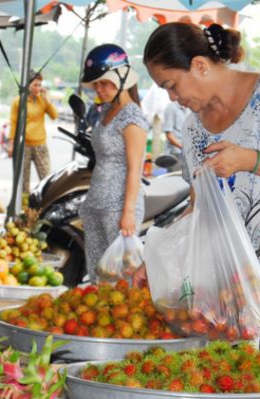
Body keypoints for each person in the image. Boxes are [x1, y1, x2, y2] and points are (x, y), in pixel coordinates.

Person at [143, 23, 260, 368]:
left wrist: (248, 159)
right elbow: (200, 203)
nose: (173, 98)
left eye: (171, 85)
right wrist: (167, 256)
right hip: (234, 274)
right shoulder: (193, 129)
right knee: (227, 374)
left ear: (200, 65)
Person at [78, 44, 148, 282]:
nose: (100, 89)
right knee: (97, 276)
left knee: (121, 280)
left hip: (118, 209)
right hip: (95, 204)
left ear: (123, 78)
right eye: (96, 84)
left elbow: (135, 168)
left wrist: (127, 213)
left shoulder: (132, 117)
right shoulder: (107, 110)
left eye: (105, 83)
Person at [7, 70, 58, 194]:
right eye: (35, 85)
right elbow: (13, 123)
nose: (38, 88)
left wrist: (48, 100)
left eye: (40, 85)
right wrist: (11, 143)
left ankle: (45, 205)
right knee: (23, 181)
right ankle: (25, 208)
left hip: (40, 144)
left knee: (46, 177)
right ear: (28, 85)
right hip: (23, 145)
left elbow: (54, 115)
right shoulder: (18, 101)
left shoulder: (43, 100)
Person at [162, 101, 190, 171]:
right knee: (175, 178)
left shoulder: (189, 108)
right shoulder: (171, 108)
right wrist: (184, 147)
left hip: (188, 153)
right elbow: (169, 135)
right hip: (175, 153)